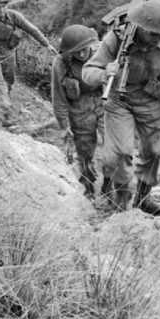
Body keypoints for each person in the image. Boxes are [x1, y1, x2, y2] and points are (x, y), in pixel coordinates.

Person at [82, 0, 160, 214]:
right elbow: (87, 72)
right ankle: (121, 199)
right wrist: (104, 73)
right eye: (154, 34)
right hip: (118, 100)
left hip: (151, 99)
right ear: (141, 27)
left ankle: (143, 198)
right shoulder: (116, 38)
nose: (158, 39)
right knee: (120, 153)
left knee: (153, 152)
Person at [51, 25, 114, 199]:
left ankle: (108, 185)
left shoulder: (102, 51)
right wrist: (64, 125)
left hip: (104, 103)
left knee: (114, 146)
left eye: (83, 49)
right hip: (79, 110)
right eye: (76, 51)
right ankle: (88, 188)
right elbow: (58, 97)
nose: (81, 54)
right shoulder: (61, 63)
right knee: (85, 153)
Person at [0, 0, 57, 108]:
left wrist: (46, 44)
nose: (2, 10)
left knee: (9, 83)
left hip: (9, 55)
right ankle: (7, 110)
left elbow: (32, 30)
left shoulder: (14, 17)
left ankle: (5, 104)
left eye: (4, 7)